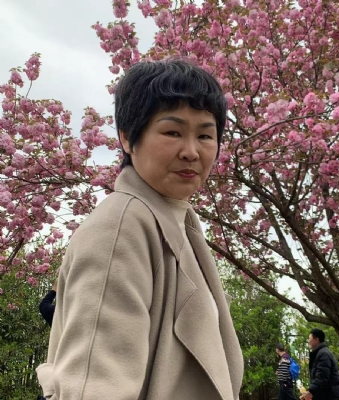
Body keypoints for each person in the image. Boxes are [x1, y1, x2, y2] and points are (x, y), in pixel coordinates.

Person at [36, 59, 244, 400]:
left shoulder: (176, 220)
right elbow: (95, 388)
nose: (191, 152)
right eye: (173, 132)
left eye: (205, 135)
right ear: (127, 138)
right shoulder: (121, 227)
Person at [300, 329, 339, 400]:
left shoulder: (323, 354)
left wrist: (311, 391)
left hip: (332, 395)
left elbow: (322, 377)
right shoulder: (320, 353)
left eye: (310, 339)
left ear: (316, 340)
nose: (308, 341)